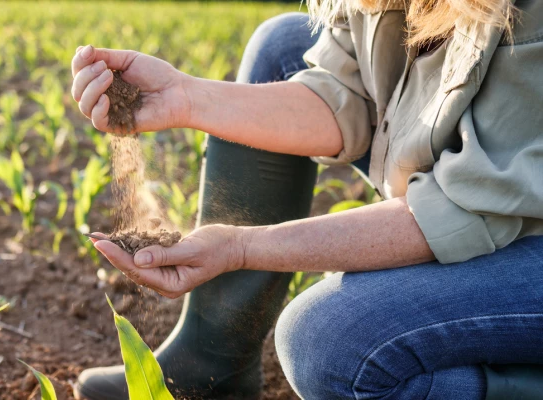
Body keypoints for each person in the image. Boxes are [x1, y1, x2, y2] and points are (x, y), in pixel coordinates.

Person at [70, 0, 543, 398]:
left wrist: (241, 248)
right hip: (492, 189)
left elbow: (461, 210)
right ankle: (211, 361)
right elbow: (344, 98)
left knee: (329, 342)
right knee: (285, 46)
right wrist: (187, 97)